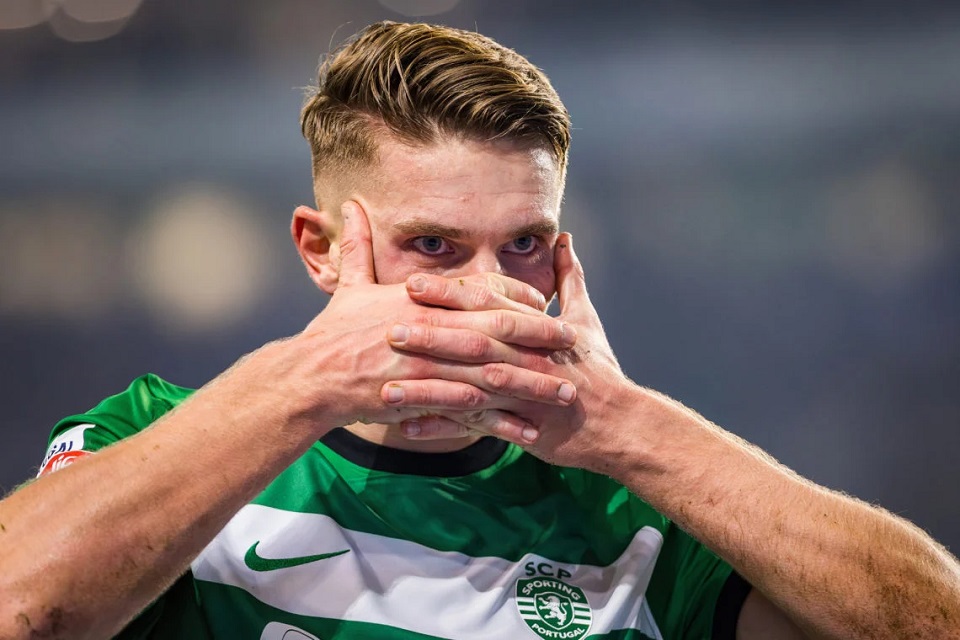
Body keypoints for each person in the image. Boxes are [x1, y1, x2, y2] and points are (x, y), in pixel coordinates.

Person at [1, 20, 958, 640]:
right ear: (320, 250)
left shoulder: (634, 515)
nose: (490, 292)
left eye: (525, 244)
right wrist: (302, 384)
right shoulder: (154, 437)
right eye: (434, 245)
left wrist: (631, 427)